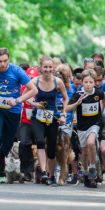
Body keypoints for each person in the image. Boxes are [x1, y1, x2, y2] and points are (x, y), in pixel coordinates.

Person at [0, 48, 36, 183]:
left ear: (9, 59)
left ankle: (1, 156)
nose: (2, 64)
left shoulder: (17, 71)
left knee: (8, 142)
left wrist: (17, 100)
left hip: (13, 111)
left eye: (5, 61)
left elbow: (33, 89)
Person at [28, 55, 68, 185]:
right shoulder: (34, 81)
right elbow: (24, 97)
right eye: (45, 67)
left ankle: (51, 176)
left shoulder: (58, 82)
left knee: (51, 149)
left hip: (52, 117)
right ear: (41, 67)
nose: (48, 69)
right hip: (37, 117)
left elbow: (66, 99)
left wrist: (63, 115)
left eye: (50, 67)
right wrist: (34, 104)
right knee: (40, 141)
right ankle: (44, 172)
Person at [66, 69, 105, 188]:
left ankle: (92, 167)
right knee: (84, 152)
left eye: (91, 82)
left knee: (91, 143)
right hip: (82, 126)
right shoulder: (78, 94)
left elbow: (104, 96)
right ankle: (85, 170)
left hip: (95, 123)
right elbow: (67, 109)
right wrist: (77, 103)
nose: (88, 85)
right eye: (86, 82)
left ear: (94, 83)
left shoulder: (98, 93)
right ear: (82, 83)